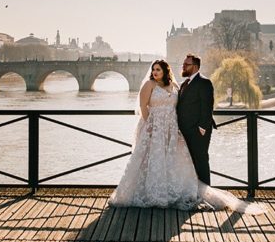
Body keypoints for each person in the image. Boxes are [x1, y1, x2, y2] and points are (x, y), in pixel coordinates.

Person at [107, 58, 264, 213]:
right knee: (151, 160)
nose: (155, 72)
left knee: (175, 161)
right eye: (153, 69)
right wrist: (150, 126)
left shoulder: (175, 85)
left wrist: (199, 126)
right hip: (153, 129)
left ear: (165, 71)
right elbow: (143, 106)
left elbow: (191, 105)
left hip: (172, 129)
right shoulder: (149, 85)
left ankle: (181, 191)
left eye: (158, 69)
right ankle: (149, 192)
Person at [176, 53, 216, 185]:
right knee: (189, 163)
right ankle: (194, 192)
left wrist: (202, 128)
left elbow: (207, 106)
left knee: (201, 161)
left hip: (198, 131)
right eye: (183, 64)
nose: (183, 67)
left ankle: (206, 194)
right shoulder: (184, 84)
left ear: (195, 67)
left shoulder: (204, 83)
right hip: (185, 130)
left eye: (186, 65)